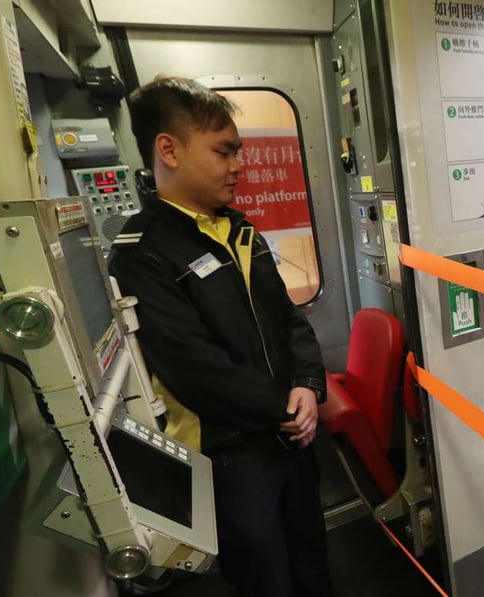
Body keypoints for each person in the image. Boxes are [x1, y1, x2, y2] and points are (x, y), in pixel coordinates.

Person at [109, 77, 334, 597]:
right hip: (232, 457)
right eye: (223, 151)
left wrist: (307, 385)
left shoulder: (238, 229)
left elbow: (288, 317)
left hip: (290, 435)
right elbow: (195, 369)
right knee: (266, 580)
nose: (238, 166)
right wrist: (285, 404)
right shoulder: (144, 252)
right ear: (168, 149)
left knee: (312, 564)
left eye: (238, 151)